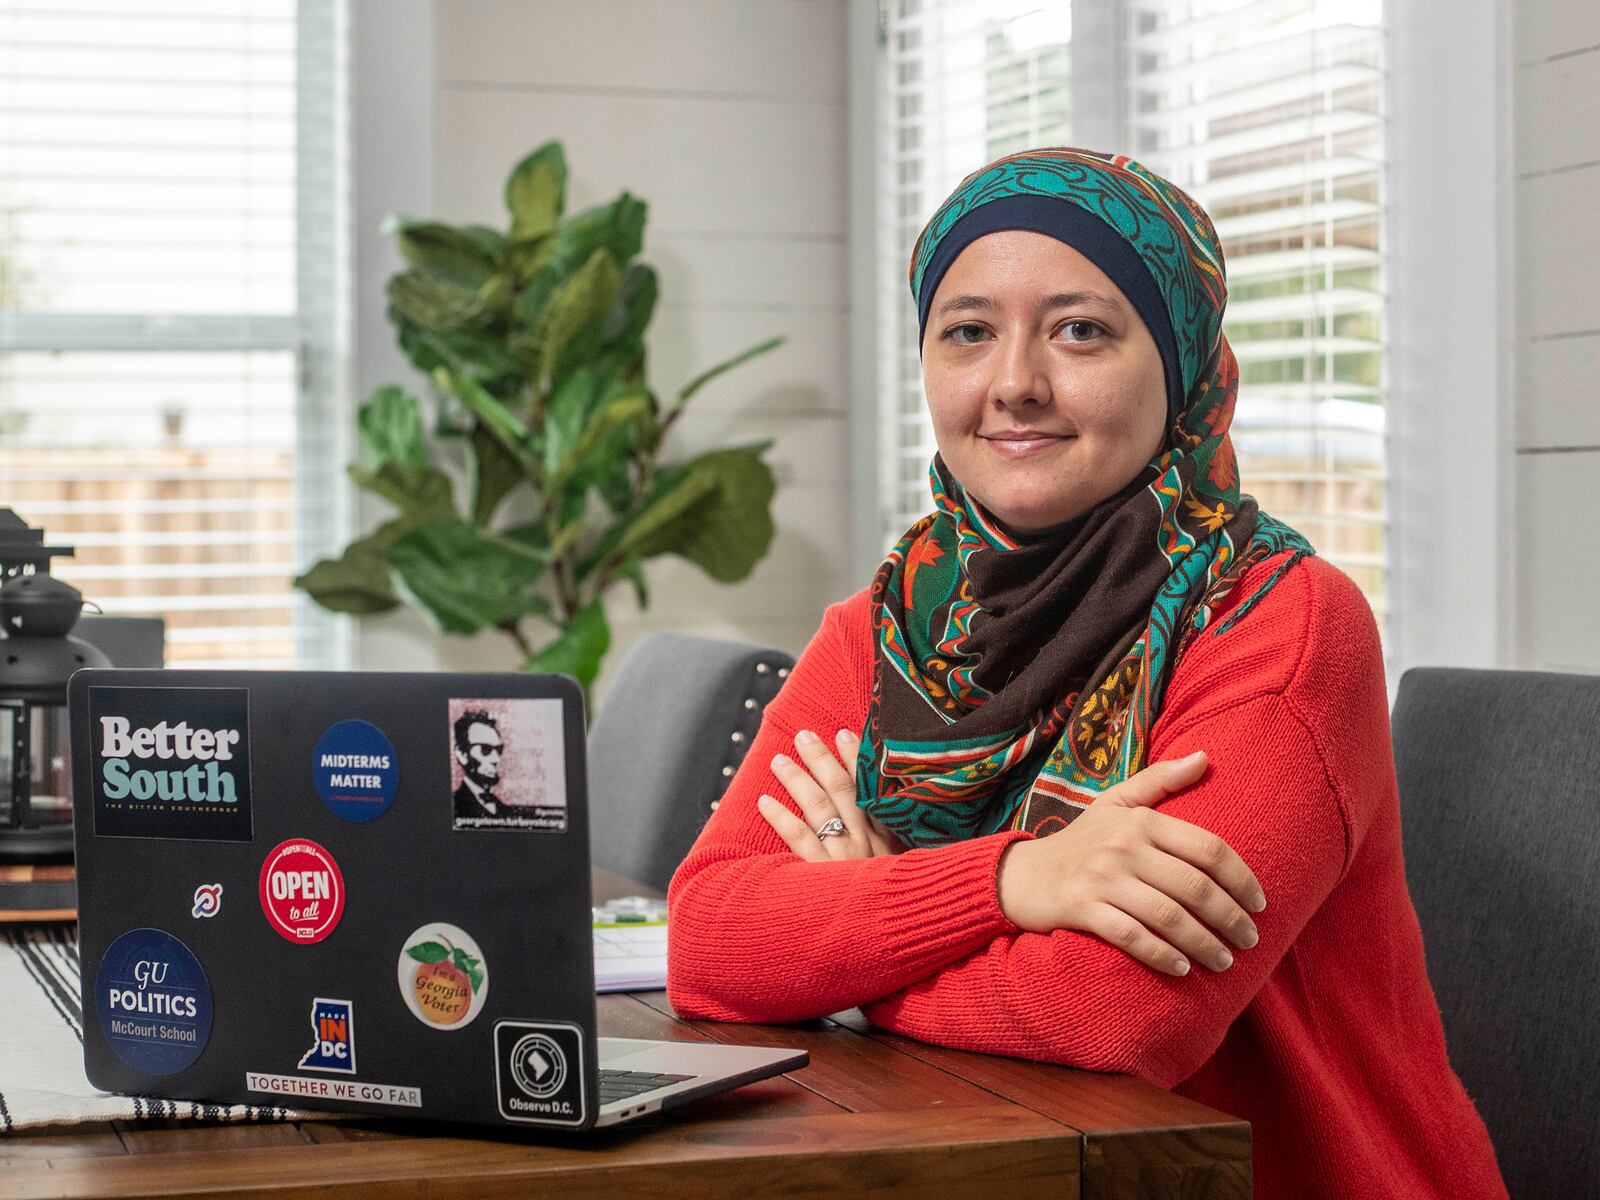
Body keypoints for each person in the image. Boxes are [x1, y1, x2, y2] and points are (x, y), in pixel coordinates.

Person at [666, 147, 1509, 1200]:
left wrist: (839, 954)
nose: (1014, 383)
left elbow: (1109, 1017)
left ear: (1183, 366)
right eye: (968, 331)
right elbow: (706, 942)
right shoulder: (889, 623)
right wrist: (1017, 879)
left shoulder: (1278, 624)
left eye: (1079, 331)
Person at [451, 708, 504, 819]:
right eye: (485, 749)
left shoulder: (503, 809)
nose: (496, 759)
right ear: (462, 754)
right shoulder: (454, 805)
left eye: (499, 750)